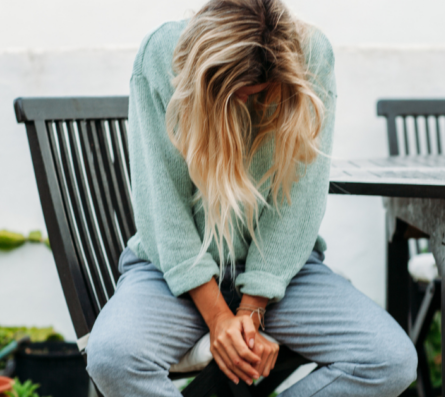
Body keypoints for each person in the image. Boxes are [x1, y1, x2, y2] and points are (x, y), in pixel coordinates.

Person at [85, 0, 417, 395]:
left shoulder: (313, 56)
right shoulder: (161, 54)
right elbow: (162, 206)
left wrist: (250, 309)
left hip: (281, 273)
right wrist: (218, 318)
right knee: (112, 359)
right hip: (173, 271)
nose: (248, 103)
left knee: (389, 361)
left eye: (258, 94)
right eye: (238, 94)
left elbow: (298, 205)